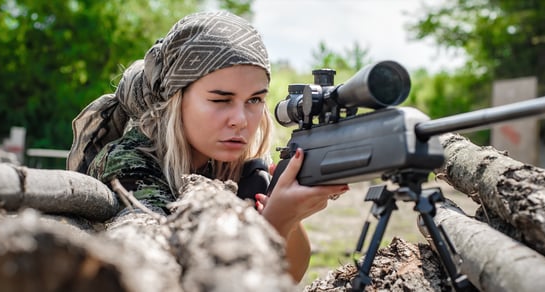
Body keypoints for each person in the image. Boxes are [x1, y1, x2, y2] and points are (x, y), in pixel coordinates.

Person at [66, 10, 349, 282]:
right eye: (220, 100)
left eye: (254, 100)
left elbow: (289, 276)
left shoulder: (238, 167)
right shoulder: (128, 163)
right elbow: (175, 279)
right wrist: (277, 219)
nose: (240, 120)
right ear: (177, 99)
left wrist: (290, 216)